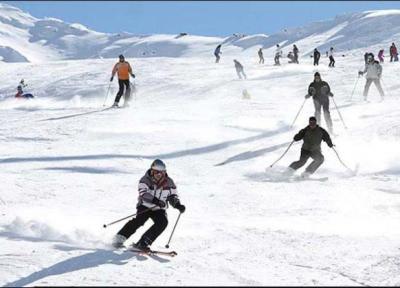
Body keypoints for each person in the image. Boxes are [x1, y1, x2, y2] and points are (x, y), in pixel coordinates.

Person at [111, 159, 186, 252]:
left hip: (159, 208)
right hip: (145, 205)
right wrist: (156, 200)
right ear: (152, 171)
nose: (158, 175)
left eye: (161, 173)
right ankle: (119, 238)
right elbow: (143, 193)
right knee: (140, 220)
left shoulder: (169, 182)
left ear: (164, 173)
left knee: (163, 222)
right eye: (156, 172)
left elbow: (172, 195)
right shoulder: (145, 180)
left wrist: (178, 205)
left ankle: (143, 242)